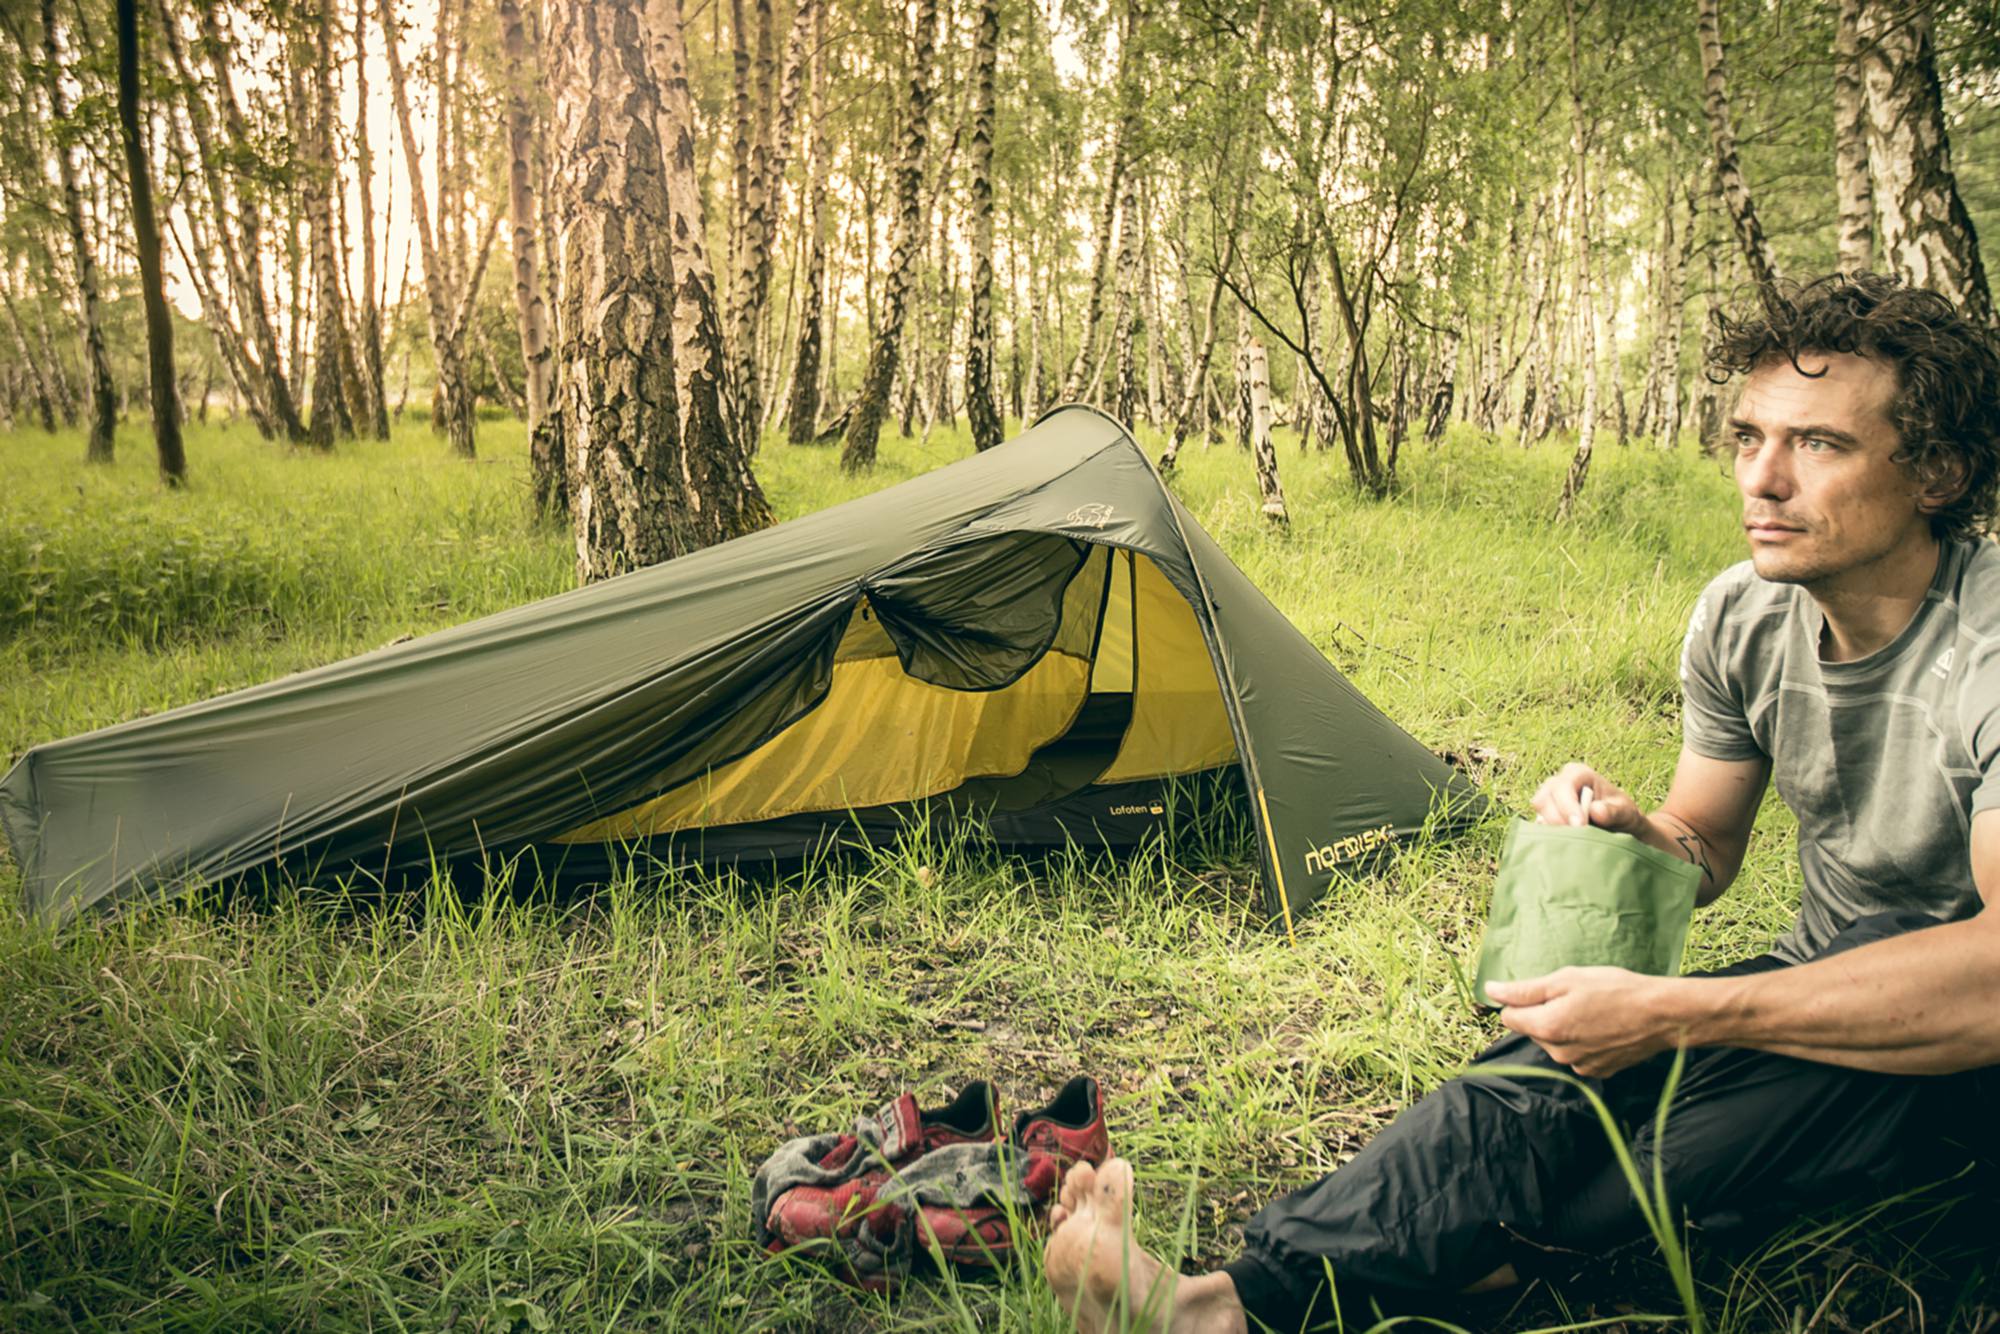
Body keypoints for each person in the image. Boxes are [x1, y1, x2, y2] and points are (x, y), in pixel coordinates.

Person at [1041, 272, 2000, 1333]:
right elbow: (1703, 841)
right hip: (1815, 990)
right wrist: (1635, 832)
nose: (1761, 479)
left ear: (1936, 473)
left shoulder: (1986, 643)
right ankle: (1212, 1304)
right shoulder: (1743, 614)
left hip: (1958, 1048)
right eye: (1744, 437)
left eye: (1817, 444)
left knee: (1677, 1150)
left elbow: (1990, 978)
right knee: (1537, 1072)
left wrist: (1680, 1011)